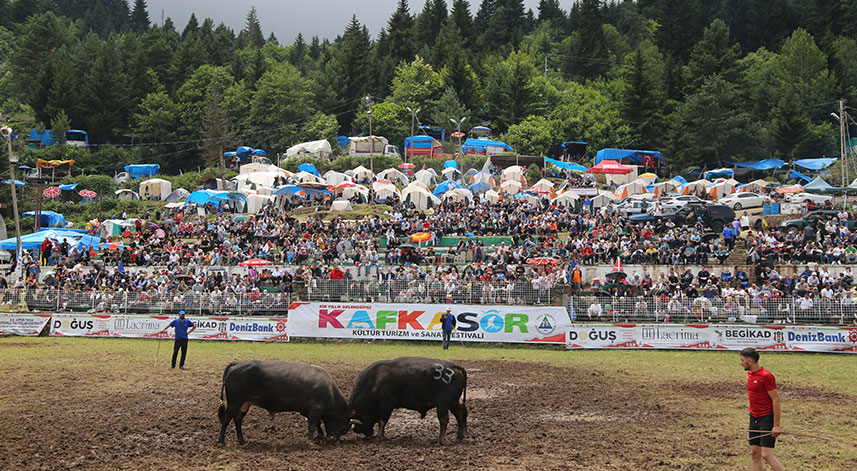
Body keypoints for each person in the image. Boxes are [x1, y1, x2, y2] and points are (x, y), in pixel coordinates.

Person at [740, 348, 785, 471]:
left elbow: (775, 400)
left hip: (766, 418)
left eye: (742, 360)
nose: (740, 363)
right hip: (754, 418)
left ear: (750, 361)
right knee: (755, 453)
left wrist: (776, 425)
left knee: (766, 455)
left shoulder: (766, 376)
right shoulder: (750, 374)